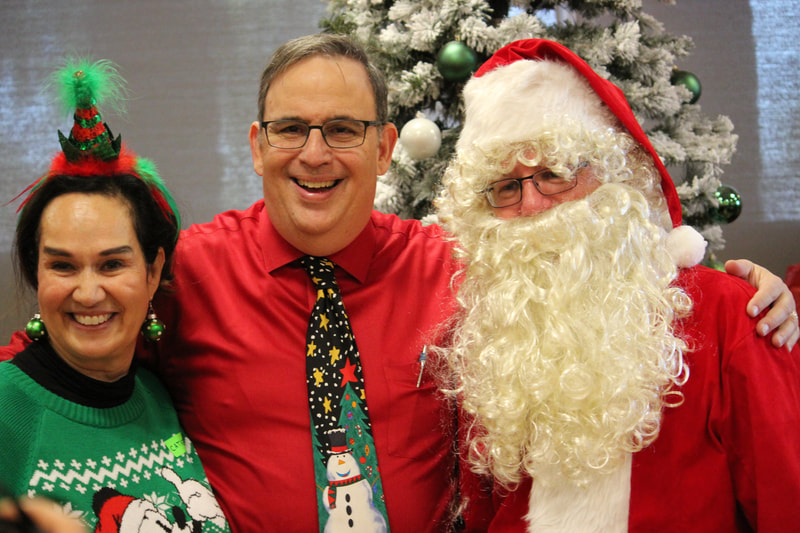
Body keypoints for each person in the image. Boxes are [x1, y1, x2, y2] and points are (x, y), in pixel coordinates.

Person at [2, 34, 796, 533]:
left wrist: (748, 291)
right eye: (291, 129)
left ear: (384, 148)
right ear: (257, 144)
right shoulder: (189, 270)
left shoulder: (462, 266)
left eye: (343, 130)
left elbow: (578, 276)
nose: (315, 153)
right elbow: (68, 342)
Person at [436, 39, 800, 532]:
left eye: (554, 173)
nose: (532, 206)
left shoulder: (731, 313)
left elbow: (787, 504)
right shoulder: (492, 338)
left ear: (615, 175)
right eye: (506, 186)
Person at [0, 59, 230, 533]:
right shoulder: (6, 410)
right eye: (62, 265)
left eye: (111, 265)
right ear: (36, 272)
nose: (88, 293)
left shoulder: (158, 396)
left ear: (153, 271)